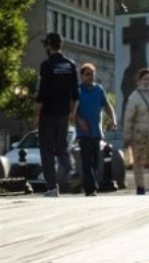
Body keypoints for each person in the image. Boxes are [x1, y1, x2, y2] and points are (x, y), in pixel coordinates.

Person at [35, 32, 78, 198]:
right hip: (63, 115)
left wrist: (36, 115)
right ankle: (71, 171)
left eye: (45, 44)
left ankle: (52, 188)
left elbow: (41, 93)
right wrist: (70, 114)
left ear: (50, 45)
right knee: (61, 148)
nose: (45, 47)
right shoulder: (70, 65)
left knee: (46, 150)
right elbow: (75, 94)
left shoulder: (46, 65)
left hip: (47, 114)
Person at [71, 63, 116, 197]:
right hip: (83, 133)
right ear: (82, 76)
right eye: (88, 74)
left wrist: (113, 119)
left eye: (93, 74)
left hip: (96, 132)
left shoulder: (99, 89)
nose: (91, 77)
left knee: (95, 161)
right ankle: (91, 188)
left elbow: (107, 106)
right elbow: (71, 112)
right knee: (87, 161)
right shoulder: (77, 91)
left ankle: (89, 185)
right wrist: (80, 121)